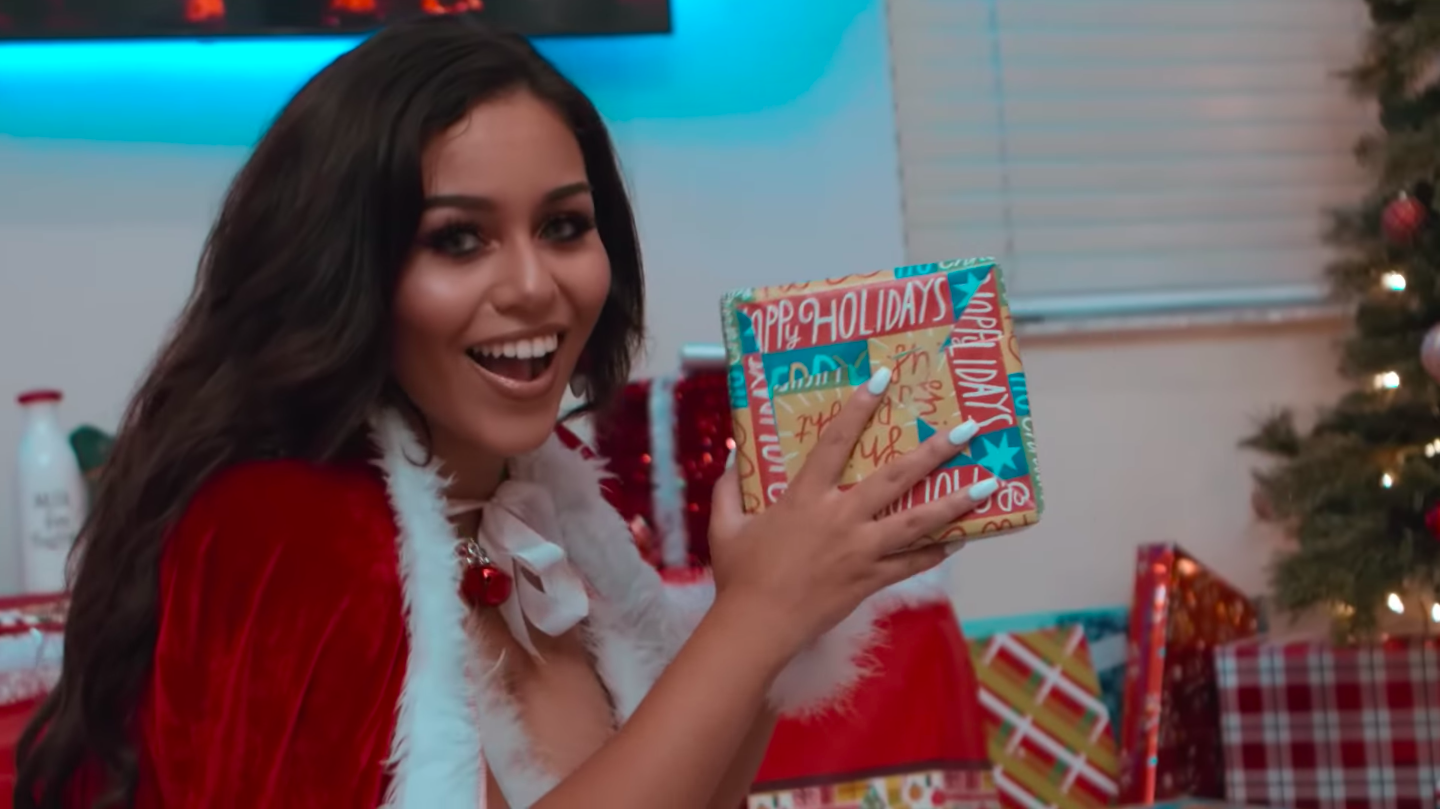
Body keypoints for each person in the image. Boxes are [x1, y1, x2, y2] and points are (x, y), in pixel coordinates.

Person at [13, 16, 995, 809]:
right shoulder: (280, 530)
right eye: (458, 239)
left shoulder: (545, 500)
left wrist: (775, 615)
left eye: (564, 226)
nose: (533, 285)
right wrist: (753, 618)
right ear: (342, 269)